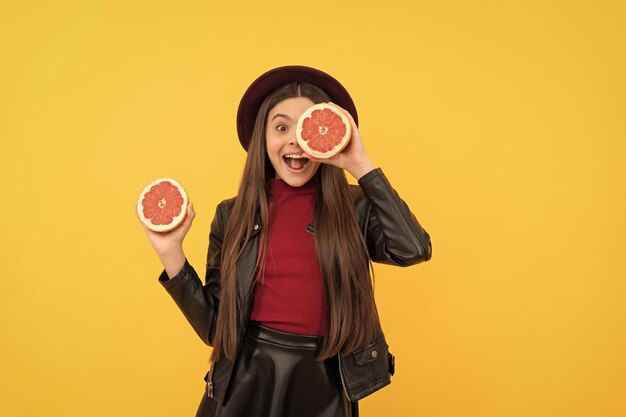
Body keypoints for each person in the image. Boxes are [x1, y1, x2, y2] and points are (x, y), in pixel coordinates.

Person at [138, 65, 432, 417]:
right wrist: (171, 255)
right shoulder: (231, 216)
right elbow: (218, 330)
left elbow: (413, 249)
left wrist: (361, 165)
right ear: (261, 138)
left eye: (307, 126)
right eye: (281, 127)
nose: (295, 140)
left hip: (323, 381)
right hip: (244, 381)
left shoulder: (356, 208)